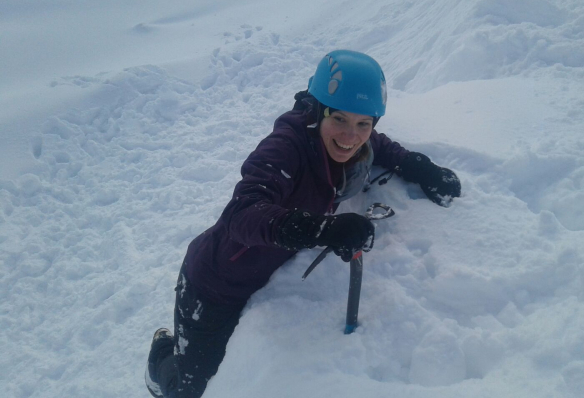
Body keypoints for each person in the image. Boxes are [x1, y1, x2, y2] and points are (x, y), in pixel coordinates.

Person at [144, 49, 461, 398]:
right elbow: (242, 213)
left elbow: (379, 146)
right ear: (317, 111)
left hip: (265, 280)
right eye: (339, 119)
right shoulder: (286, 147)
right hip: (216, 285)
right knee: (188, 390)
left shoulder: (353, 139)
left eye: (362, 124)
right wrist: (321, 230)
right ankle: (161, 357)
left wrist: (420, 167)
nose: (350, 136)